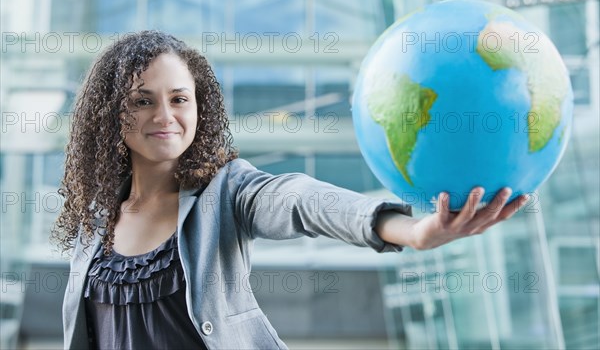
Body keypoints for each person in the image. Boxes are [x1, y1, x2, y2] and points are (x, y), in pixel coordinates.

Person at [52, 30, 529, 350]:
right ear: (111, 113)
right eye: (142, 101)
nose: (165, 116)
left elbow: (301, 200)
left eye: (180, 99)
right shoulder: (97, 218)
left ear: (200, 107)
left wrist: (409, 230)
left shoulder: (227, 192)